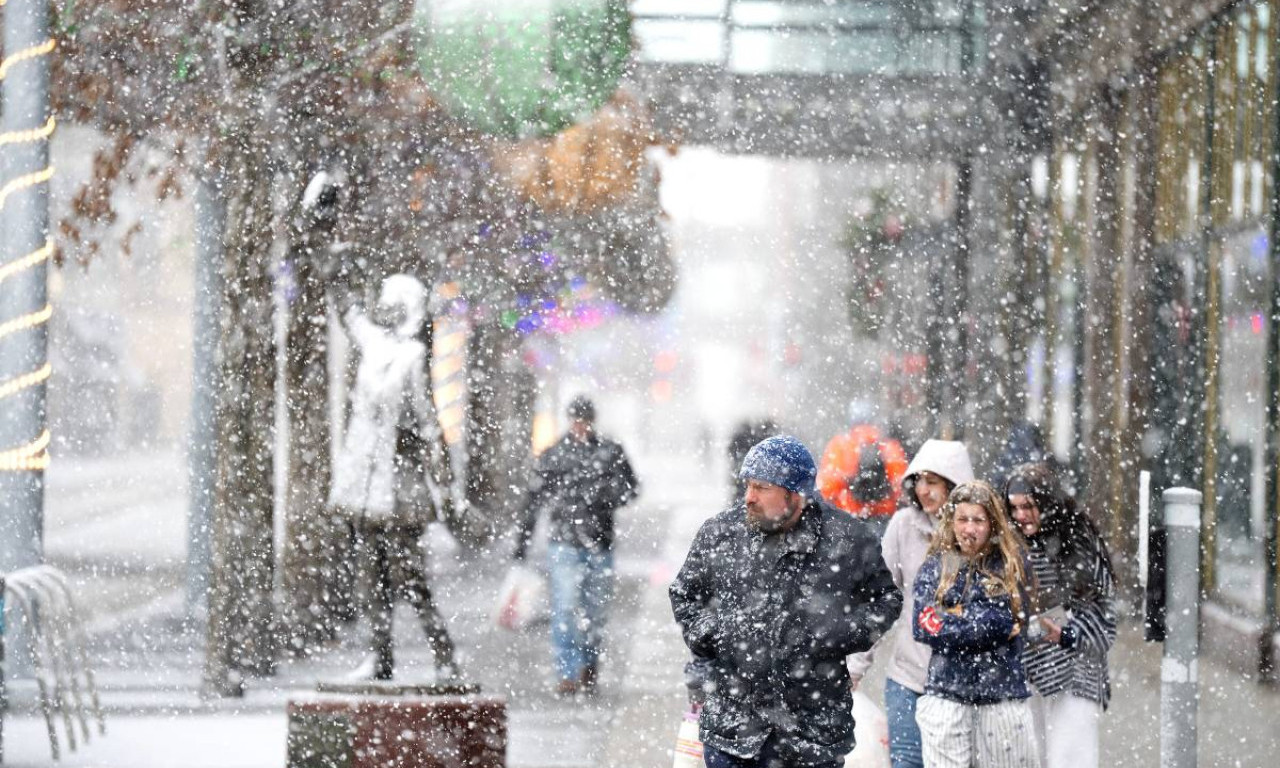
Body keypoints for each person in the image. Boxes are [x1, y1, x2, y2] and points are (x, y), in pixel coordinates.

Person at [670, 435, 903, 768]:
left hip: (813, 732)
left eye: (762, 488)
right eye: (748, 485)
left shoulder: (847, 539)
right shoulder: (720, 533)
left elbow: (886, 599)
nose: (749, 497)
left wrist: (838, 634)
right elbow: (684, 594)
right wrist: (715, 635)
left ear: (795, 495)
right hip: (733, 728)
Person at [329, 273, 459, 681]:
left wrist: (443, 477)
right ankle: (379, 657)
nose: (382, 309)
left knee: (410, 578)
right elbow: (347, 311)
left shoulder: (412, 356)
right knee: (370, 576)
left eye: (391, 302)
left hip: (401, 486)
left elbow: (427, 418)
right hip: (367, 485)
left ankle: (445, 656)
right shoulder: (371, 342)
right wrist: (334, 257)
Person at [847, 439, 975, 768]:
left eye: (933, 482)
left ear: (955, 486)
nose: (923, 490)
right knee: (906, 762)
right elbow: (881, 601)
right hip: (907, 677)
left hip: (960, 683)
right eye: (918, 481)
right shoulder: (903, 526)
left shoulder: (975, 533)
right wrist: (856, 665)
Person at [513, 395, 639, 696]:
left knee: (595, 610)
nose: (580, 426)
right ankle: (568, 671)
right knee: (567, 607)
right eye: (576, 420)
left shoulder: (609, 452)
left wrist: (606, 495)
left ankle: (588, 662)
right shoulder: (555, 455)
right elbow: (533, 502)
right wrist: (522, 543)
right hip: (566, 542)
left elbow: (631, 489)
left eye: (584, 420)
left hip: (599, 542)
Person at [912, 481, 1038, 768]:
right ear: (951, 521)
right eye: (963, 519)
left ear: (992, 524)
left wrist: (955, 615)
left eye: (978, 520)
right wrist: (980, 621)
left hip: (1002, 694)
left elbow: (1004, 620)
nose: (969, 529)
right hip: (947, 692)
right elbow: (923, 625)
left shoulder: (1010, 565)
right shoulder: (935, 566)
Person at [1003, 463, 1115, 768]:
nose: (1021, 515)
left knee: (1070, 758)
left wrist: (1063, 630)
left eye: (1028, 506)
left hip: (1076, 671)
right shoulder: (1011, 545)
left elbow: (1101, 611)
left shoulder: (1078, 539)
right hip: (1028, 673)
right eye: (1014, 508)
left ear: (1047, 502)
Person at [816, 417, 908, 538]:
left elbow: (826, 488)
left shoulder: (840, 446)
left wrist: (847, 483)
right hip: (885, 518)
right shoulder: (889, 446)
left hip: (850, 518)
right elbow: (902, 487)